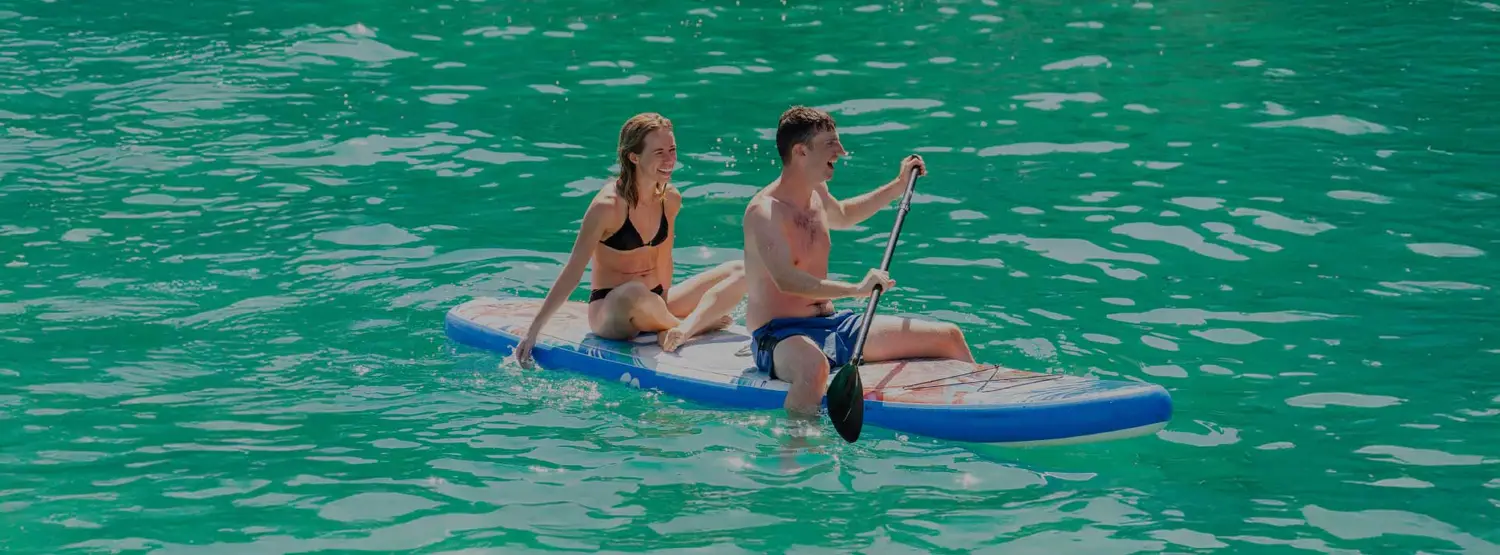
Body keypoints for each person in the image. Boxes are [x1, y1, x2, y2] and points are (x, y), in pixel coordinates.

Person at [741, 106, 976, 418]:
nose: (841, 151)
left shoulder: (816, 192)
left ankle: (978, 409)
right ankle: (795, 455)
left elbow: (844, 215)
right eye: (830, 144)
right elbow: (787, 280)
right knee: (814, 369)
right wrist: (856, 288)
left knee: (948, 337)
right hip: (778, 335)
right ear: (800, 152)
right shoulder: (764, 212)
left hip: (833, 325)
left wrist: (897, 186)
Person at [514, 113, 746, 368]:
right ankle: (690, 326)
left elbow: (664, 260)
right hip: (613, 309)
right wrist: (533, 330)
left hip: (655, 301)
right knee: (634, 292)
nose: (670, 160)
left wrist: (662, 305)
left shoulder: (670, 199)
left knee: (741, 269)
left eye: (672, 149)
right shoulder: (607, 207)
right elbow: (573, 271)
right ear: (633, 157)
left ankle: (672, 325)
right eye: (659, 152)